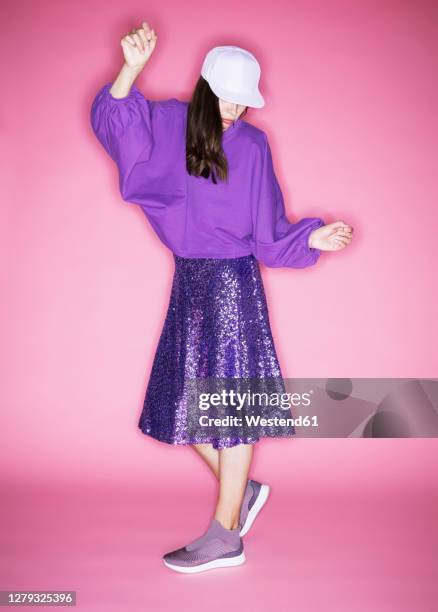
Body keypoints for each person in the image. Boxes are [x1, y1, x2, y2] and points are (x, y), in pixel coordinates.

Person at [90, 21, 354, 574]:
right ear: (206, 89)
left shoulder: (254, 147)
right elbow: (118, 125)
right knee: (179, 404)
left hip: (232, 284)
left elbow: (268, 230)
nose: (234, 112)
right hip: (189, 280)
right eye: (226, 99)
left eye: (243, 103)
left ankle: (225, 533)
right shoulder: (166, 123)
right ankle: (245, 490)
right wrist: (131, 70)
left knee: (230, 406)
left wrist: (311, 237)